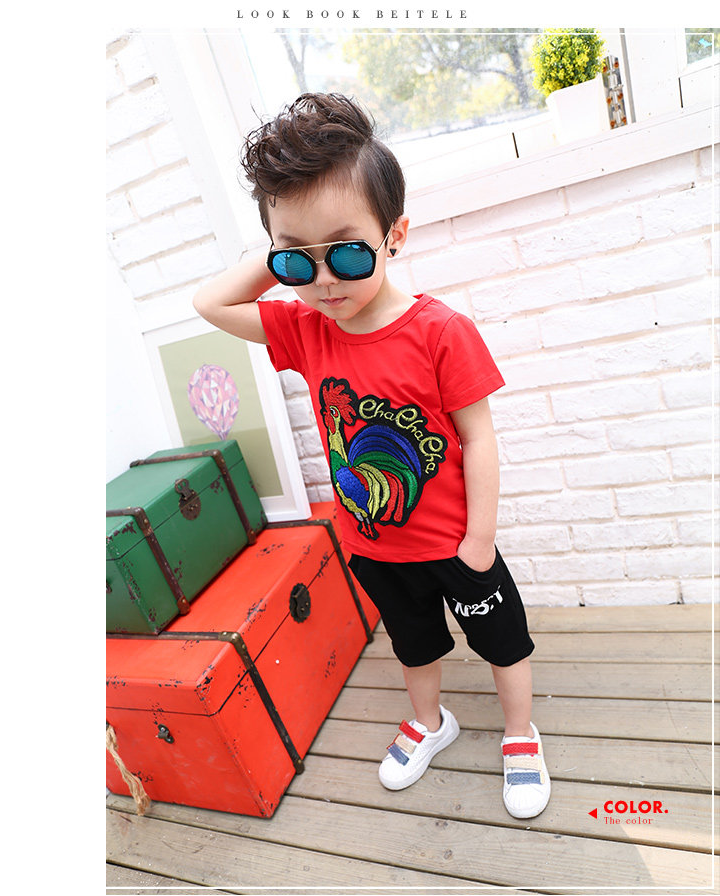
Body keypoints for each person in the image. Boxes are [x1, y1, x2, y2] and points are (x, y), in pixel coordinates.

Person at [193, 92, 550, 819]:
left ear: (395, 237)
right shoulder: (305, 330)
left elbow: (479, 438)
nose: (325, 280)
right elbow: (210, 304)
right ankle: (430, 721)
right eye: (299, 260)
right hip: (373, 545)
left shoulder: (440, 331)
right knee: (414, 645)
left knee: (501, 641)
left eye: (349, 251)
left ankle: (520, 731)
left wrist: (479, 541)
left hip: (455, 544)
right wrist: (282, 256)